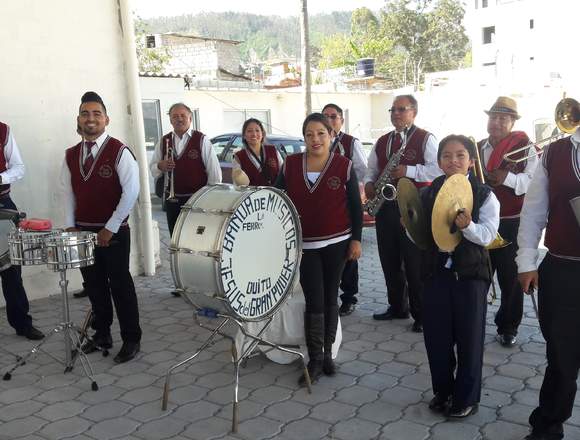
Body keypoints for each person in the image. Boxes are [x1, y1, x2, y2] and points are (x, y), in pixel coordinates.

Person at [276, 113, 362, 384]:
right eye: (310, 134)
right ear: (304, 138)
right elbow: (277, 197)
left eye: (321, 133)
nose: (315, 139)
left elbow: (355, 207)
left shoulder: (344, 165)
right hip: (306, 244)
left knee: (331, 297)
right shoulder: (289, 165)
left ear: (331, 135)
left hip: (337, 241)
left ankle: (328, 356)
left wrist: (356, 239)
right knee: (314, 299)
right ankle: (314, 359)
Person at [420, 135, 499, 418]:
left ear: (471, 161)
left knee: (469, 338)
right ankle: (443, 391)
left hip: (470, 276)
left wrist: (468, 227)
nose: (453, 161)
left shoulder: (484, 194)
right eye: (447, 156)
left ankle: (466, 398)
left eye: (460, 155)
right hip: (436, 274)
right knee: (437, 338)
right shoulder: (429, 193)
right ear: (439, 160)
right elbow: (421, 236)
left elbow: (489, 236)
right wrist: (409, 223)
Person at [60, 91, 141, 364]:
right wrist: (71, 227)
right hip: (83, 233)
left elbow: (131, 192)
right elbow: (67, 193)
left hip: (113, 233)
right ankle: (102, 334)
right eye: (85, 113)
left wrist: (111, 227)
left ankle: (131, 339)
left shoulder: (119, 151)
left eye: (96, 113)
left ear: (106, 119)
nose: (90, 118)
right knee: (94, 287)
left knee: (121, 287)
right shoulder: (71, 155)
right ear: (79, 119)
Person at [516, 123, 580, 440]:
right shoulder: (555, 152)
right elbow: (534, 211)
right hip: (564, 268)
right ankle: (549, 424)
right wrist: (526, 261)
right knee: (561, 355)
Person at [364, 95, 441, 332]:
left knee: (414, 263)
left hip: (413, 207)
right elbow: (371, 169)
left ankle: (422, 314)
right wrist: (368, 183)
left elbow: (437, 170)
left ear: (414, 112)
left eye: (402, 109)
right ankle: (397, 306)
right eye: (393, 110)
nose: (396, 114)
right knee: (389, 259)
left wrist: (408, 170)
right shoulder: (382, 141)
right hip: (386, 206)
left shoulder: (426, 138)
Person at [477, 96, 537, 347]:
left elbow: (532, 184)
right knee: (477, 274)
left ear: (512, 122)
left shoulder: (526, 147)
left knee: (511, 278)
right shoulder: (477, 147)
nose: (497, 122)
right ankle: (473, 321)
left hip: (512, 222)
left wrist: (506, 179)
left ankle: (508, 326)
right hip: (480, 222)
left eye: (503, 118)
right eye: (493, 117)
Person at [149, 103, 221, 296]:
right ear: (170, 119)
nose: (179, 119)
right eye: (174, 116)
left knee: (200, 243)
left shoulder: (201, 140)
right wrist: (161, 165)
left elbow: (214, 173)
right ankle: (181, 284)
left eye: (182, 115)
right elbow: (153, 169)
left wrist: (210, 200)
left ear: (190, 118)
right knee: (177, 243)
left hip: (197, 203)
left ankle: (203, 282)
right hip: (174, 202)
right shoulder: (164, 141)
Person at [322, 103, 368, 317]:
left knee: (348, 252)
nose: (330, 120)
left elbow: (362, 170)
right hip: (324, 206)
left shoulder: (351, 142)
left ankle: (349, 297)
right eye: (325, 116)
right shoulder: (318, 140)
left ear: (341, 120)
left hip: (346, 204)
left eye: (333, 116)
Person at [0, 122, 44, 340]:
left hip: (2, 205)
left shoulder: (3, 130)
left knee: (11, 269)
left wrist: (0, 178)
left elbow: (18, 167)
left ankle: (22, 323)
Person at [232, 118, 282, 186]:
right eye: (249, 131)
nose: (254, 134)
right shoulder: (239, 157)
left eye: (257, 130)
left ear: (262, 134)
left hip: (273, 195)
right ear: (244, 135)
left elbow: (283, 176)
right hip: (252, 196)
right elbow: (237, 185)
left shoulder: (273, 151)